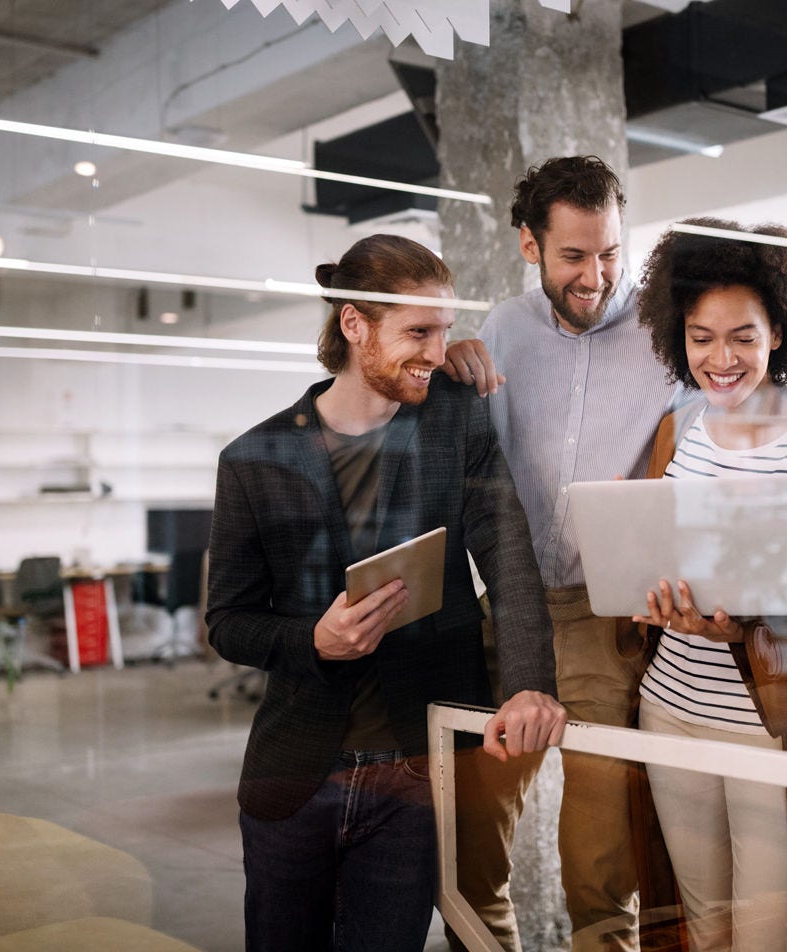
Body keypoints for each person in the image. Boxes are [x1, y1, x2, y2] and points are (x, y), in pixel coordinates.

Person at [441, 155, 787, 952]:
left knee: (600, 852)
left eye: (610, 253)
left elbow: (740, 388)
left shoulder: (663, 333)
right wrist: (452, 360)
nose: (596, 275)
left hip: (610, 612)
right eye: (573, 256)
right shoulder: (503, 328)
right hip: (517, 603)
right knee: (469, 832)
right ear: (529, 245)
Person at [205, 234, 565, 952]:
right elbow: (227, 622)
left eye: (444, 330)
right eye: (419, 332)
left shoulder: (453, 421)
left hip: (417, 774)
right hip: (297, 775)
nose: (439, 350)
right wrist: (312, 640)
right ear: (353, 326)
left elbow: (510, 557)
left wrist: (529, 686)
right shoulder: (253, 460)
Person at [631, 218, 787, 951]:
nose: (721, 358)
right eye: (701, 337)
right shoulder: (678, 429)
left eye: (742, 336)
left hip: (767, 724)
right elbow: (650, 541)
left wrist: (744, 630)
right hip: (670, 708)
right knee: (700, 926)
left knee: (767, 933)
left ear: (779, 333)